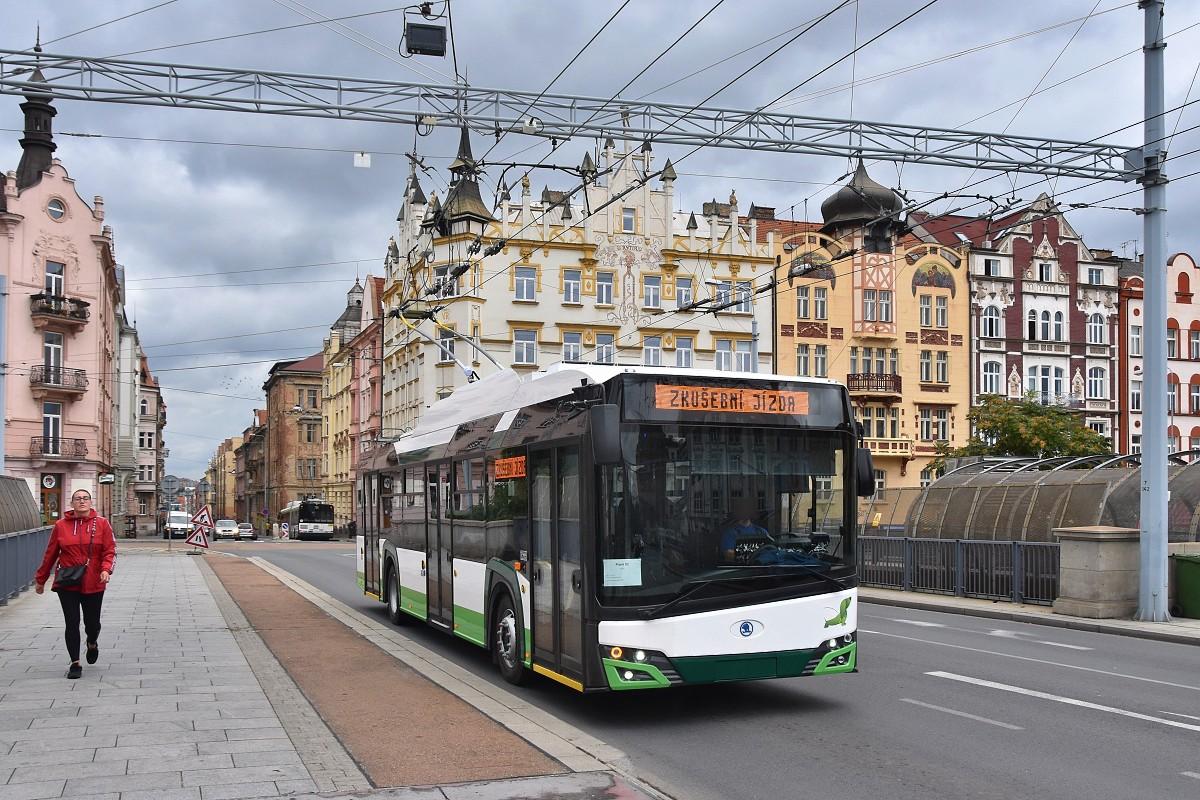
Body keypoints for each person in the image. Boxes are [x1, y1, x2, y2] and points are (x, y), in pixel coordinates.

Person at [33, 489, 116, 679]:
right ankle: (75, 663)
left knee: (92, 623)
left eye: (85, 498)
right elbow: (50, 554)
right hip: (68, 582)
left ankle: (92, 642)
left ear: (90, 502)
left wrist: (106, 569)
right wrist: (41, 579)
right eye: (78, 499)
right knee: (72, 622)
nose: (82, 502)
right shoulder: (61, 526)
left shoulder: (102, 524)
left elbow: (110, 550)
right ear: (72, 503)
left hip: (94, 580)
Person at [718, 496, 772, 563]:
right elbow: (728, 554)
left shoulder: (761, 532)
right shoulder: (729, 533)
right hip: (738, 571)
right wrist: (754, 557)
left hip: (759, 570)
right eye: (742, 508)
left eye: (748, 509)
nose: (746, 511)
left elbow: (770, 552)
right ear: (737, 511)